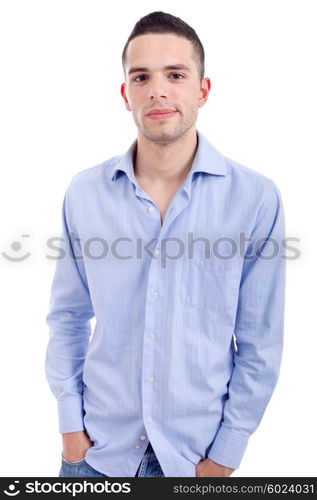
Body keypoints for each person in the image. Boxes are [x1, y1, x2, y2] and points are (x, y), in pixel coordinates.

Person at [45, 11, 286, 478]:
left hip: (195, 463)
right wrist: (70, 428)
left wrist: (225, 457)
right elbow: (68, 315)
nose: (158, 90)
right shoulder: (84, 193)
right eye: (142, 77)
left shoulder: (256, 198)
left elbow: (261, 341)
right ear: (125, 93)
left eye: (175, 75)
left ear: (203, 89)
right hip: (95, 456)